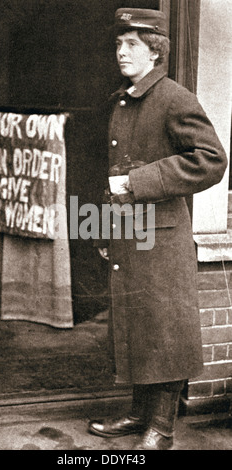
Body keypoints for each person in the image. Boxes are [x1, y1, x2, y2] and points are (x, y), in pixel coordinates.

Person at [88, 8, 227, 450]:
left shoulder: (174, 97)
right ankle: (137, 413)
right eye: (118, 43)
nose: (121, 51)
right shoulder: (124, 99)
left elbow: (211, 159)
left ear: (156, 49)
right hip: (131, 233)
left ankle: (161, 427)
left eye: (131, 44)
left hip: (163, 236)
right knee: (135, 323)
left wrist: (139, 180)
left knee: (163, 327)